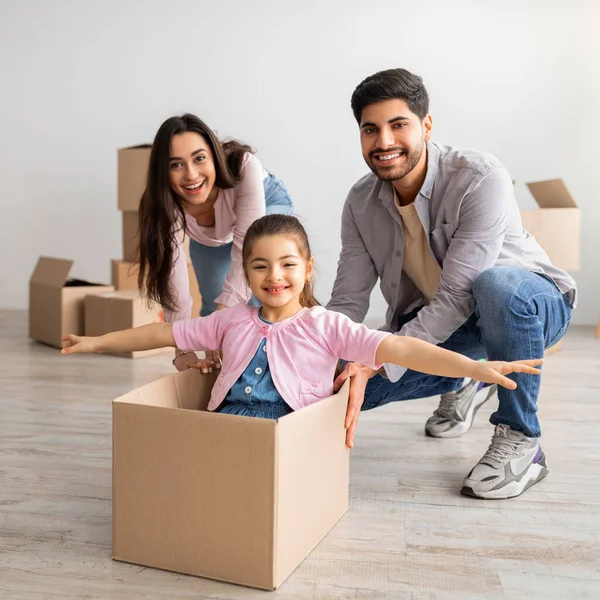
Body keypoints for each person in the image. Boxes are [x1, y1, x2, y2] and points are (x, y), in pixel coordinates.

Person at [326, 68, 576, 499]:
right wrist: (318, 354)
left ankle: (522, 440)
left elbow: (460, 292)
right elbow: (347, 300)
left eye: (398, 125)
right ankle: (465, 379)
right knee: (343, 387)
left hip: (527, 305)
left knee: (496, 286)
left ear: (426, 125)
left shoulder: (479, 177)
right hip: (439, 324)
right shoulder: (359, 202)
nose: (383, 142)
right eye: (371, 130)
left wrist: (384, 356)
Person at [63, 215, 542, 426]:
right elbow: (164, 331)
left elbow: (401, 349)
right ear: (245, 273)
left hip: (292, 431)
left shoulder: (325, 325)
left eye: (288, 264)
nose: (275, 276)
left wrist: (475, 368)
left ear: (307, 269)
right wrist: (96, 341)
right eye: (260, 266)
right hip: (225, 424)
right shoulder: (229, 320)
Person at [138, 113, 294, 372]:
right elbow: (172, 278)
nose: (191, 175)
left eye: (199, 158)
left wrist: (223, 322)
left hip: (265, 207)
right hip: (212, 237)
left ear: (214, 155)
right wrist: (183, 349)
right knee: (213, 306)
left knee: (261, 288)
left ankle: (274, 362)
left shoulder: (243, 166)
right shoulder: (162, 203)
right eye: (176, 165)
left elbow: (247, 249)